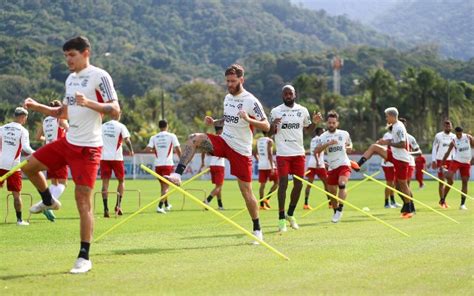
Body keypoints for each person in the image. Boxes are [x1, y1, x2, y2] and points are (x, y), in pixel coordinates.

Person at [22, 36, 121, 274]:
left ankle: (84, 257)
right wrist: (37, 107)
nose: (68, 60)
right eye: (65, 56)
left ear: (86, 53)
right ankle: (49, 200)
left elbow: (115, 111)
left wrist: (88, 103)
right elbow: (63, 113)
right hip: (68, 142)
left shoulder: (100, 76)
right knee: (28, 167)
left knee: (82, 203)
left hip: (88, 149)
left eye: (72, 55)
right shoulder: (70, 79)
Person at [165, 64, 269, 243]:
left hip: (240, 150)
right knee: (194, 138)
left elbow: (266, 125)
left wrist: (248, 119)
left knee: (246, 192)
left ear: (241, 80)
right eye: (227, 81)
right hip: (224, 141)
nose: (229, 84)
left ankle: (257, 228)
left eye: (233, 81)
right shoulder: (227, 98)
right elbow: (229, 118)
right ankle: (177, 174)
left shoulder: (251, 101)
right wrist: (215, 121)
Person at [268, 84, 320, 232]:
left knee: (299, 185)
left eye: (290, 93)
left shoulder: (302, 110)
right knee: (283, 183)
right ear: (282, 95)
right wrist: (273, 126)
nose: (288, 96)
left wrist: (315, 122)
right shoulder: (275, 111)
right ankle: (281, 219)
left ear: (295, 94)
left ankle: (290, 214)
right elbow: (268, 133)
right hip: (283, 154)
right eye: (285, 94)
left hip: (298, 153)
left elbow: (308, 130)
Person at [356, 107, 415, 219]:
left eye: (387, 116)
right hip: (394, 155)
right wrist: (385, 142)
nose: (386, 118)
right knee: (374, 147)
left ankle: (409, 207)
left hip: (402, 159)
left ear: (392, 116)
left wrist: (387, 142)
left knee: (401, 184)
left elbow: (402, 144)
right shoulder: (394, 127)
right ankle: (358, 165)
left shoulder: (399, 127)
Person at [315, 111, 353, 223]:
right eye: (329, 123)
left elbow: (350, 143)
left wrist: (350, 147)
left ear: (337, 123)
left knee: (342, 184)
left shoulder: (344, 133)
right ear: (327, 123)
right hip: (332, 167)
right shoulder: (323, 136)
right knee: (331, 192)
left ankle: (340, 209)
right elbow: (316, 151)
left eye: (333, 123)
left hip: (344, 164)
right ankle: (336, 210)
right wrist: (328, 144)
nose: (331, 125)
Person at [0, 107, 35, 226]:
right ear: (22, 117)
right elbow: (26, 148)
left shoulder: (2, 128)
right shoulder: (23, 131)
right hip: (13, 166)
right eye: (26, 118)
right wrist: (37, 153)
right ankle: (19, 220)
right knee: (16, 195)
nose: (25, 120)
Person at [35, 100, 69, 222]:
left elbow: (38, 137)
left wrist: (49, 139)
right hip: (59, 152)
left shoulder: (45, 121)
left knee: (54, 183)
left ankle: (47, 204)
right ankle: (47, 204)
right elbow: (69, 130)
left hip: (48, 152)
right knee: (63, 183)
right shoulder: (60, 118)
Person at [100, 112, 134, 217]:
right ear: (118, 115)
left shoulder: (103, 126)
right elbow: (127, 140)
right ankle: (118, 206)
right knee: (121, 181)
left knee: (105, 184)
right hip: (117, 158)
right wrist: (131, 150)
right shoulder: (121, 126)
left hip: (104, 158)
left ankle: (105, 209)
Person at [144, 119, 181, 214]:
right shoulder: (172, 136)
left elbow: (147, 150)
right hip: (167, 165)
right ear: (167, 126)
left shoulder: (154, 137)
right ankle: (160, 207)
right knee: (166, 187)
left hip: (158, 166)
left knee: (163, 186)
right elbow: (178, 149)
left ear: (159, 127)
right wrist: (182, 160)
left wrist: (156, 151)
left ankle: (167, 205)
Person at [441, 127, 473, 210]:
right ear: (455, 133)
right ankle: (445, 171)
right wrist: (442, 164)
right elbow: (447, 152)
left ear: (462, 132)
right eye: (457, 134)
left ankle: (462, 204)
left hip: (466, 163)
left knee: (465, 182)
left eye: (460, 134)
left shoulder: (468, 137)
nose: (458, 135)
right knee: (449, 176)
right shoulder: (454, 141)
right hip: (457, 161)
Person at [431, 120, 456, 207]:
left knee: (451, 181)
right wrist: (433, 160)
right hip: (440, 160)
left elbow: (455, 149)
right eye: (446, 126)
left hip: (451, 161)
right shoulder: (438, 136)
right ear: (443, 127)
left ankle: (443, 198)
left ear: (451, 127)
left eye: (449, 126)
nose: (448, 127)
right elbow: (434, 148)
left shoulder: (454, 136)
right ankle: (442, 201)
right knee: (441, 182)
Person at [201, 126, 226, 210]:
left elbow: (204, 150)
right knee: (218, 187)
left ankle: (220, 205)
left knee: (218, 187)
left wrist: (203, 162)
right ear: (221, 130)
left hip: (212, 164)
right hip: (219, 165)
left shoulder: (212, 139)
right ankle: (207, 201)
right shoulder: (223, 139)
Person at [304, 127, 329, 210]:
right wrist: (318, 162)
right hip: (318, 164)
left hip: (311, 163)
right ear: (320, 131)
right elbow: (316, 151)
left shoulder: (313, 140)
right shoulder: (321, 139)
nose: (325, 132)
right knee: (326, 183)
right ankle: (330, 203)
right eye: (323, 130)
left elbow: (313, 151)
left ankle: (306, 203)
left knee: (309, 185)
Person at [254, 131, 278, 210]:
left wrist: (259, 160)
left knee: (262, 185)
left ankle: (261, 205)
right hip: (268, 165)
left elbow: (255, 153)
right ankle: (267, 199)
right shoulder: (269, 141)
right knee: (277, 182)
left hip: (261, 165)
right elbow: (270, 154)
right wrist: (272, 167)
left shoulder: (259, 141)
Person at [380, 126, 399, 208]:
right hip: (388, 164)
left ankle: (393, 201)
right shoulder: (387, 135)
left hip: (394, 163)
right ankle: (386, 203)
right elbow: (383, 148)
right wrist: (385, 158)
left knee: (393, 184)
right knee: (389, 183)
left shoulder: (396, 135)